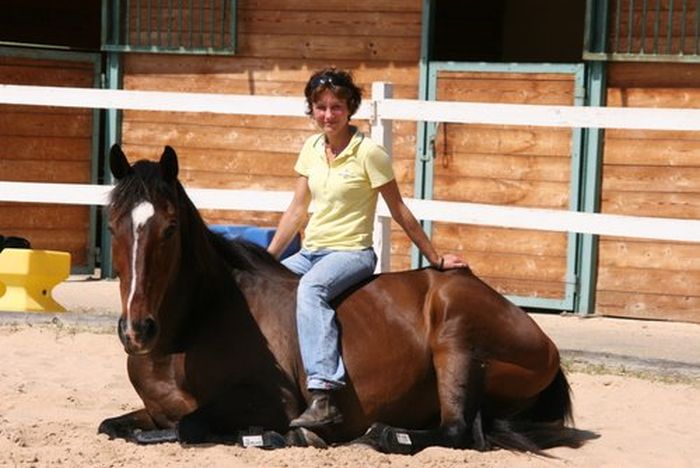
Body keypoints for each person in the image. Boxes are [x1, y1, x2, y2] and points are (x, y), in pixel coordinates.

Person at [267, 67, 467, 429]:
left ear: (350, 109)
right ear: (311, 110)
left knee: (312, 290)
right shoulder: (311, 149)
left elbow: (398, 209)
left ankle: (324, 394)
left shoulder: (369, 153)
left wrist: (434, 258)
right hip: (312, 250)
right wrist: (268, 260)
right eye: (321, 107)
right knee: (264, 284)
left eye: (336, 107)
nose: (328, 115)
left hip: (350, 253)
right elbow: (297, 209)